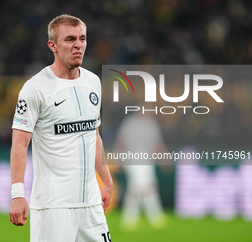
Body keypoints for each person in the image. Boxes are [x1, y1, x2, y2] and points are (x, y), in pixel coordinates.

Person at [9, 14, 113, 242]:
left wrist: (106, 181)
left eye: (82, 38)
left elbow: (93, 135)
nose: (78, 45)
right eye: (70, 39)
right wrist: (17, 194)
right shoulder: (35, 88)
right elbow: (19, 143)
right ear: (52, 45)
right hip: (53, 207)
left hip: (90, 204)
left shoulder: (93, 82)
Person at [116, 111, 168, 231]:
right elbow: (122, 142)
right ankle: (151, 218)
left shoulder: (136, 122)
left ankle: (135, 219)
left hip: (143, 161)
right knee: (141, 188)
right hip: (134, 160)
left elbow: (156, 146)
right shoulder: (135, 123)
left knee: (142, 188)